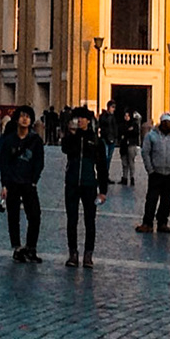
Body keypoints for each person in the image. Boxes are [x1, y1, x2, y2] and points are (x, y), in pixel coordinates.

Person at [0, 107, 46, 263]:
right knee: (13, 216)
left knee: (35, 216)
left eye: (28, 117)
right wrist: (4, 184)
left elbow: (39, 162)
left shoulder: (35, 140)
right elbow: (3, 163)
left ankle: (31, 248)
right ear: (17, 119)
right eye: (22, 116)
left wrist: (34, 180)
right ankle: (17, 248)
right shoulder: (9, 140)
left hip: (28, 183)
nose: (25, 119)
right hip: (12, 182)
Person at [62, 109, 109, 267]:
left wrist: (103, 191)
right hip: (72, 183)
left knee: (90, 221)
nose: (80, 120)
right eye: (77, 118)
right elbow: (65, 148)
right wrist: (71, 134)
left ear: (89, 121)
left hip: (90, 185)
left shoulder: (96, 140)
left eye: (83, 118)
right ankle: (72, 253)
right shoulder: (72, 137)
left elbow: (102, 167)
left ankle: (88, 255)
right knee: (71, 220)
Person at [135, 116, 170, 233]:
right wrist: (150, 170)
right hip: (156, 173)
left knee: (167, 201)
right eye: (169, 122)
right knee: (151, 199)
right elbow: (145, 153)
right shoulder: (151, 136)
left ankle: (162, 222)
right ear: (163, 122)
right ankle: (147, 223)